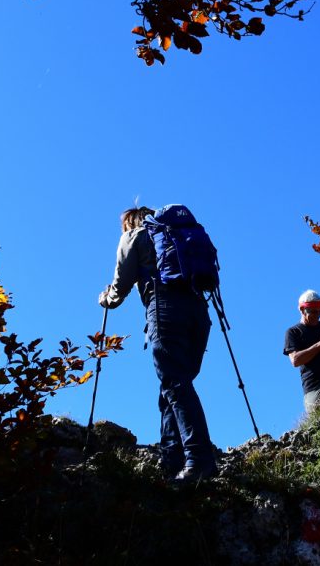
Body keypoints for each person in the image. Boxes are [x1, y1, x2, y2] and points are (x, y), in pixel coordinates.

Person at [98, 206, 218, 483]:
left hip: (165, 308)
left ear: (128, 222)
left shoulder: (135, 235)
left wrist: (105, 298)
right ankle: (170, 460)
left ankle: (199, 461)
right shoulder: (178, 235)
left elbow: (120, 287)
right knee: (175, 385)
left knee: (175, 385)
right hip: (199, 311)